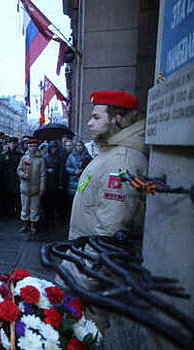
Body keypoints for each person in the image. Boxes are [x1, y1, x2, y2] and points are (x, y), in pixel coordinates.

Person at [62, 90, 149, 332]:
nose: (89, 123)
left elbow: (110, 233)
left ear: (118, 119)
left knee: (90, 335)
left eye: (97, 117)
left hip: (96, 283)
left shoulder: (123, 159)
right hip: (88, 271)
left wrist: (80, 280)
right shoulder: (111, 152)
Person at [17, 138, 46, 238]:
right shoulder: (24, 158)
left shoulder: (40, 160)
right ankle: (24, 224)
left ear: (37, 147)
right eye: (30, 146)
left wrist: (42, 187)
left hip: (35, 188)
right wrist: (23, 175)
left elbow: (42, 175)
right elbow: (19, 169)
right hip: (25, 187)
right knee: (24, 207)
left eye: (34, 146)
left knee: (34, 208)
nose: (32, 148)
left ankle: (34, 226)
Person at [0, 137, 22, 218]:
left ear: (16, 144)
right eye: (11, 143)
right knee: (8, 198)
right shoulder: (4, 155)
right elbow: (1, 167)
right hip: (7, 180)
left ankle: (18, 213)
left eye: (14, 143)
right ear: (8, 144)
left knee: (17, 198)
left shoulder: (20, 155)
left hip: (16, 180)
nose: (12, 145)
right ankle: (9, 213)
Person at [65, 140, 92, 205]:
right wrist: (74, 171)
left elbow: (91, 168)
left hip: (83, 182)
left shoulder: (87, 156)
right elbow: (67, 167)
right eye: (77, 146)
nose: (79, 147)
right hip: (73, 182)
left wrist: (83, 171)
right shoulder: (71, 156)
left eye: (80, 146)